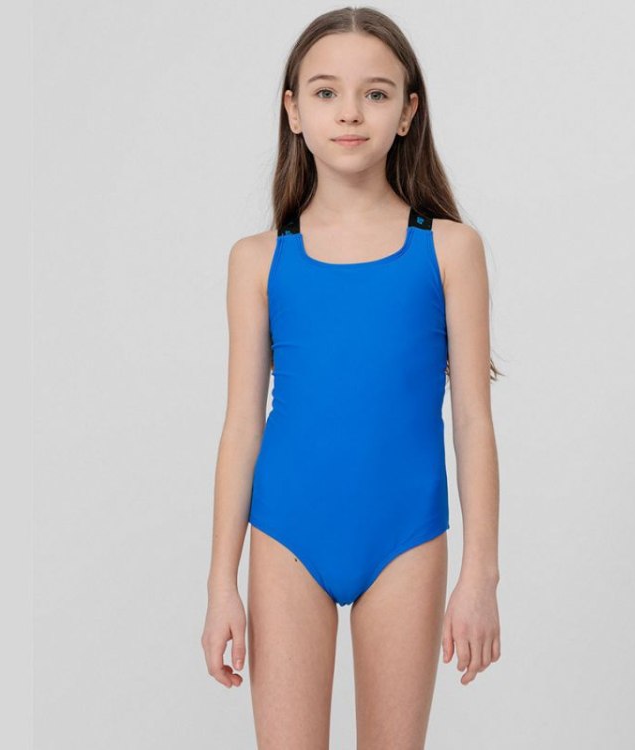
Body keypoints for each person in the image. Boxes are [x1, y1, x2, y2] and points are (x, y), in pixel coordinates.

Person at [202, 7, 502, 748]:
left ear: (408, 112)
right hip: (286, 536)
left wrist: (480, 575)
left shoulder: (451, 250)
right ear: (293, 110)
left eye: (375, 93)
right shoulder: (258, 260)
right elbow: (242, 425)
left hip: (405, 538)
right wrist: (220, 584)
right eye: (327, 92)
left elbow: (473, 420)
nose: (350, 113)